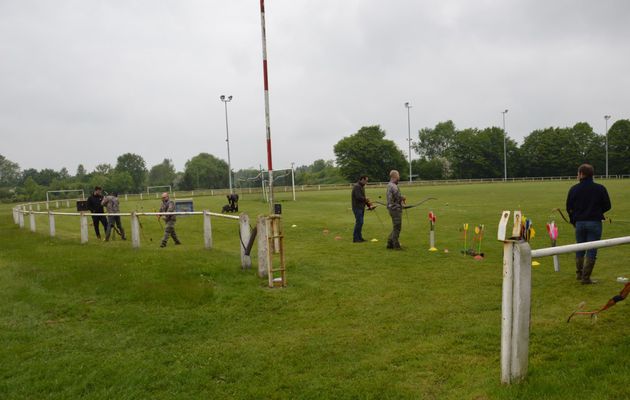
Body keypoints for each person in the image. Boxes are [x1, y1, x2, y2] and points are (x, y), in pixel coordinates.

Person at [566, 163, 611, 284]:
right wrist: (596, 212)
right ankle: (586, 278)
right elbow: (607, 206)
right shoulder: (600, 188)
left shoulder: (574, 189)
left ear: (581, 174)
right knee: (591, 250)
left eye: (578, 173)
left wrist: (573, 220)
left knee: (580, 248)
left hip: (579, 223)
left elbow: (569, 207)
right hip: (595, 223)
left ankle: (579, 275)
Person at [351, 175, 374, 243]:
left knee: (360, 223)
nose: (367, 182)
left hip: (361, 207)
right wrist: (366, 198)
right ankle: (355, 238)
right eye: (366, 180)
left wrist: (369, 205)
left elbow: (363, 198)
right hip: (357, 208)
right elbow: (358, 197)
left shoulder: (362, 187)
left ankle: (360, 238)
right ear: (362, 180)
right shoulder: (357, 186)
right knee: (359, 222)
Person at [386, 170, 406, 250]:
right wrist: (403, 198)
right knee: (397, 227)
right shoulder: (393, 186)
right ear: (395, 176)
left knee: (395, 227)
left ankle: (390, 243)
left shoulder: (389, 185)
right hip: (395, 209)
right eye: (398, 176)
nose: (399, 177)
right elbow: (397, 197)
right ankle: (396, 245)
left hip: (392, 208)